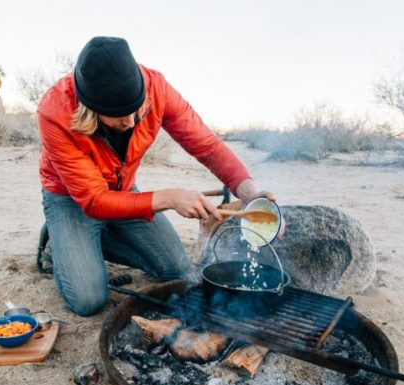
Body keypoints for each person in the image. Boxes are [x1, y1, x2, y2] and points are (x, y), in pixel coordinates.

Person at [38, 36, 275, 316]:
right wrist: (170, 198)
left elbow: (207, 145)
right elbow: (93, 200)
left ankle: (91, 240)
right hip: (72, 200)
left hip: (123, 191)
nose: (130, 122)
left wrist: (247, 189)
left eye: (135, 110)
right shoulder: (54, 111)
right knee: (89, 300)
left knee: (176, 269)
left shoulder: (157, 87)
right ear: (90, 109)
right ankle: (61, 244)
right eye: (117, 117)